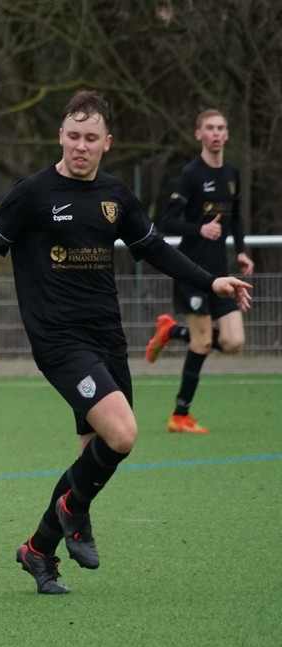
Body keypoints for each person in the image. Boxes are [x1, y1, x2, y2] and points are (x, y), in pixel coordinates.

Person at [0, 91, 252, 595]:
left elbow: (154, 248)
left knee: (96, 454)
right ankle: (74, 511)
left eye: (91, 138)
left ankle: (38, 550)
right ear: (60, 137)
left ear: (107, 143)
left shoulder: (115, 194)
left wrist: (211, 281)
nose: (80, 146)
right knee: (123, 434)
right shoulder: (33, 193)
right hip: (58, 341)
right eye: (73, 136)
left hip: (107, 337)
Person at [144, 109, 255, 434]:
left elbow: (235, 216)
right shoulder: (191, 174)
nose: (216, 133)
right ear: (199, 134)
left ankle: (171, 331)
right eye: (210, 128)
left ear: (227, 134)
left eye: (221, 128)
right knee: (203, 342)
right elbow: (168, 222)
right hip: (192, 273)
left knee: (233, 342)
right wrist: (199, 229)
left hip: (221, 273)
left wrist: (242, 251)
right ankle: (180, 415)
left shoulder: (232, 173)